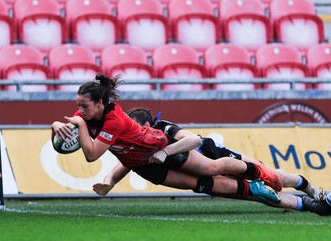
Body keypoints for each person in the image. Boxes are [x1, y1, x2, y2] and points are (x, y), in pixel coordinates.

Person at [51, 74, 283, 204]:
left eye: (84, 106)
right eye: (77, 106)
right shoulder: (86, 114)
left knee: (212, 167)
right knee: (198, 184)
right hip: (143, 163)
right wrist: (55, 125)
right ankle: (255, 190)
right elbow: (66, 129)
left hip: (160, 146)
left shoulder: (113, 120)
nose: (79, 110)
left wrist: (79, 124)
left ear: (100, 104)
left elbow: (91, 155)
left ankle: (262, 174)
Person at [93, 107, 320, 211]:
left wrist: (165, 152)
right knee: (256, 194)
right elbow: (124, 163)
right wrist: (109, 182)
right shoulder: (135, 144)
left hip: (211, 154)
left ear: (146, 126)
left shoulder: (162, 129)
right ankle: (309, 206)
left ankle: (310, 189)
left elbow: (193, 141)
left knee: (273, 176)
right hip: (195, 174)